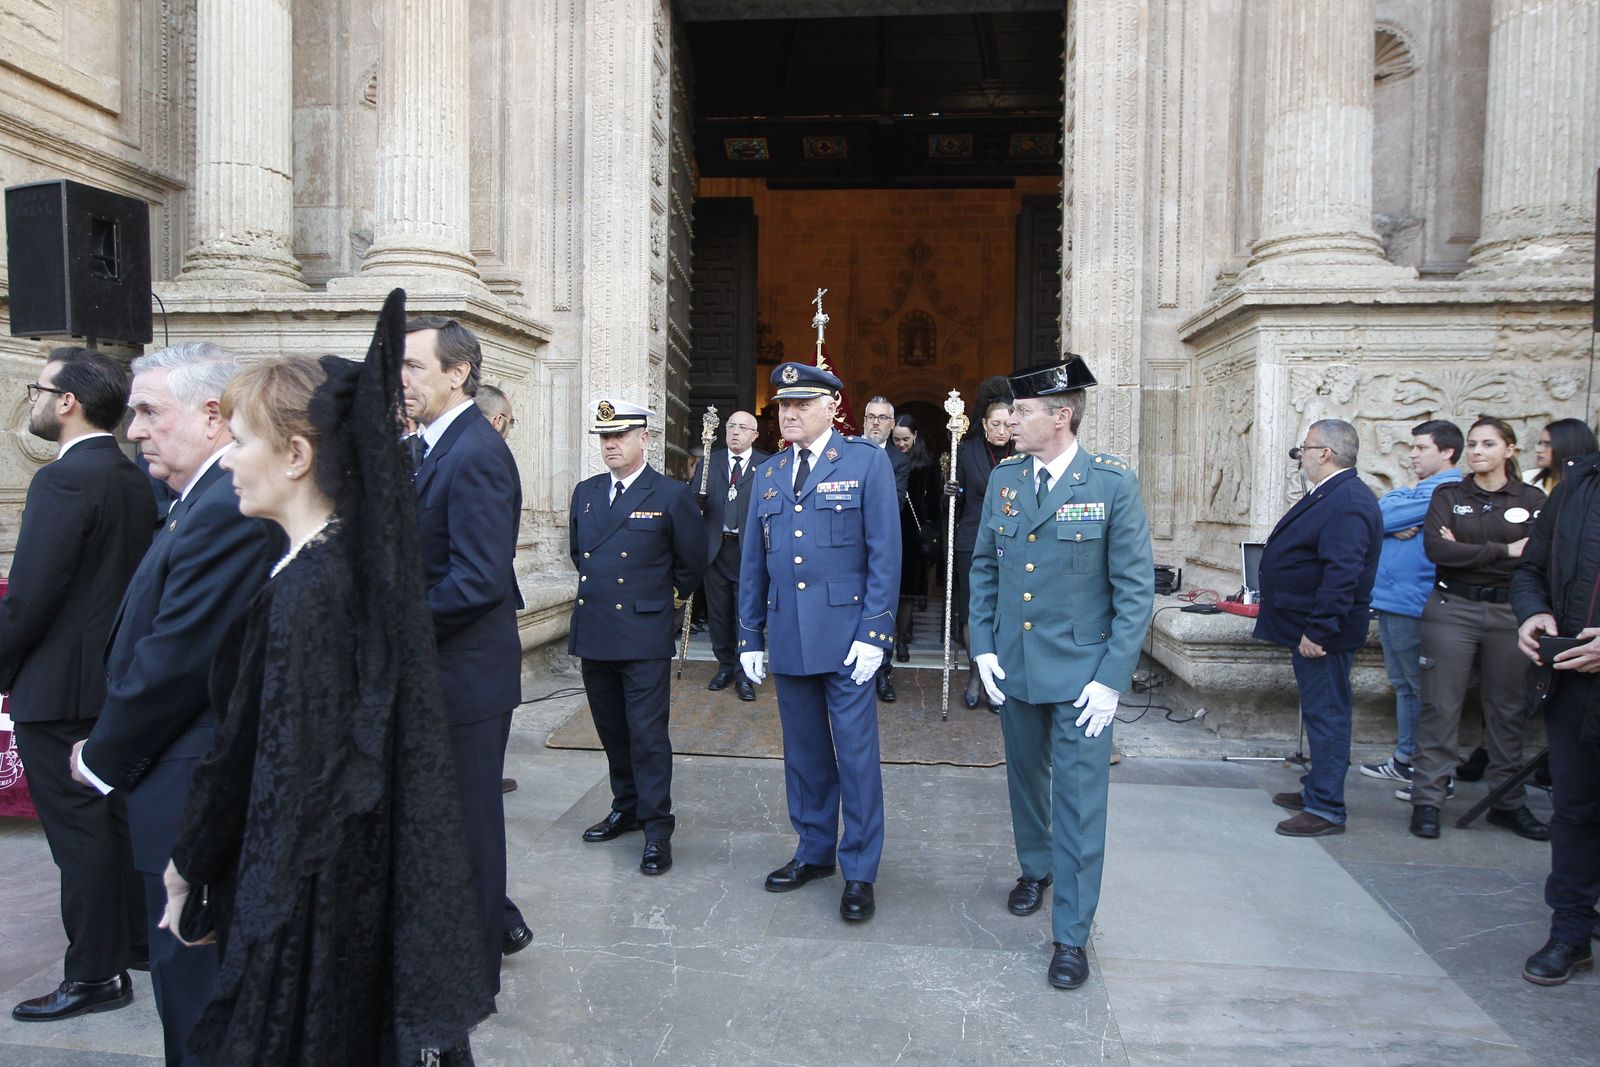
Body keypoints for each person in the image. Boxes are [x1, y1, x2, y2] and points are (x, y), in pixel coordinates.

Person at [158, 293, 494, 1064]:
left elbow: (275, 762)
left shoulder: (313, 589)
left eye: (241, 440)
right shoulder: (327, 565)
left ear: (297, 456)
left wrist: (192, 863)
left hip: (309, 895)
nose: (227, 459)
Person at [71, 343, 284, 1066]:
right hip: (176, 774)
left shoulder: (226, 504)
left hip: (192, 775)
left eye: (149, 412)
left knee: (197, 989)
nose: (134, 430)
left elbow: (181, 655)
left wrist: (101, 756)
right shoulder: (197, 498)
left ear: (212, 414)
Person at [967, 355, 1154, 991]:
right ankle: (1035, 867)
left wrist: (1111, 678)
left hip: (1082, 675)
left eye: (1020, 411)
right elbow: (985, 567)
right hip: (1016, 664)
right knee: (1024, 779)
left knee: (1077, 803)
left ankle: (1071, 933)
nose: (1009, 420)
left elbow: (1134, 590)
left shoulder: (1109, 483)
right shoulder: (1007, 479)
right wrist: (983, 646)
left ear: (1060, 416)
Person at [4, 349, 153, 1023]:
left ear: (67, 402)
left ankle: (95, 973)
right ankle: (132, 942)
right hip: (111, 680)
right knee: (111, 822)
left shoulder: (64, 479)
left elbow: (30, 596)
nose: (33, 400)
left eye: (39, 388)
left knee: (79, 834)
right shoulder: (129, 474)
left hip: (61, 688)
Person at [738, 362, 899, 923]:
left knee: (855, 757)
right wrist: (749, 635)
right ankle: (813, 851)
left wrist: (875, 632)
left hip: (847, 637)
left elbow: (884, 553)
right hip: (788, 633)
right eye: (783, 405)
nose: (789, 413)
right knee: (804, 754)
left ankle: (860, 870)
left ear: (832, 408)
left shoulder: (865, 461)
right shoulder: (770, 471)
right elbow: (753, 561)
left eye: (801, 404)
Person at [403, 316, 529, 980]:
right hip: (441, 670)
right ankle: (485, 926)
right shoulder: (431, 445)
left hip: (466, 676)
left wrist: (395, 624)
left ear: (458, 373)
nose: (400, 380)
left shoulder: (475, 451)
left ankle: (476, 965)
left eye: (412, 366)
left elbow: (478, 579)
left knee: (470, 823)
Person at [568, 400, 707, 875]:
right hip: (596, 629)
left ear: (643, 438)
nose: (610, 444)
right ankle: (625, 807)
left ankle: (656, 827)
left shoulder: (669, 494)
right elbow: (579, 554)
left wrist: (664, 603)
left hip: (643, 632)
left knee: (647, 735)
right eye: (604, 437)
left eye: (619, 436)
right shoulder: (586, 493)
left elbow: (692, 561)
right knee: (611, 729)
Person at [1408, 416, 1549, 841]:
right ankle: (1428, 800)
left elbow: (1537, 556)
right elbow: (1437, 550)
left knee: (1507, 710)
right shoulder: (1450, 495)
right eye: (1472, 444)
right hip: (1453, 607)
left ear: (1509, 450)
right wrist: (1504, 549)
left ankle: (1507, 802)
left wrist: (1467, 549)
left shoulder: (1532, 499)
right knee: (1440, 706)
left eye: (1488, 444)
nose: (1477, 451)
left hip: (1510, 612)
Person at [1254, 418, 1382, 838]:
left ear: (1324, 453)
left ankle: (1326, 808)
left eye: (1304, 449)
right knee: (1319, 711)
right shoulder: (1332, 494)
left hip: (1323, 634)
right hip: (1307, 625)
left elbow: (1342, 574)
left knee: (1327, 715)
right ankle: (1317, 787)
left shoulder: (1348, 501)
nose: (1300, 456)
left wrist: (1319, 630)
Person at [1510, 440, 1600, 985]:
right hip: (1574, 685)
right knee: (1574, 811)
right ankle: (1570, 931)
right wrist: (1533, 612)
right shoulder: (1576, 487)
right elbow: (1530, 569)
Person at [1358, 420, 1463, 784]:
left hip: (1414, 602)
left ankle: (1420, 763)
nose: (1412, 454)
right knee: (1404, 684)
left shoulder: (1448, 490)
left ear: (1447, 452)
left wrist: (1386, 521)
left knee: (1418, 687)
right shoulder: (1415, 491)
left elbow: (1378, 516)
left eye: (1421, 448)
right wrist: (1390, 520)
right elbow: (1378, 515)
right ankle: (1407, 758)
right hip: (1393, 600)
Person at [949, 381, 1013, 710]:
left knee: (1005, 609)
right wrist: (950, 490)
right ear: (985, 424)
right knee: (973, 607)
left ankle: (998, 676)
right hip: (973, 538)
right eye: (996, 424)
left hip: (1013, 541)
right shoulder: (967, 451)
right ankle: (976, 672)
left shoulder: (1024, 453)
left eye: (1008, 424)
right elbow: (958, 498)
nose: (1002, 431)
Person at [700, 410, 769, 701]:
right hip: (716, 551)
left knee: (746, 612)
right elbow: (694, 501)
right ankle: (725, 665)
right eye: (731, 426)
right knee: (718, 613)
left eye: (742, 427)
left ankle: (744, 672)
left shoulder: (766, 465)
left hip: (748, 551)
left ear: (754, 435)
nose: (735, 432)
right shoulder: (710, 461)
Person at [860, 396, 908, 701]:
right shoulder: (848, 450)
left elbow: (896, 502)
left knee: (882, 606)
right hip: (849, 547)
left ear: (892, 425)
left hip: (882, 545)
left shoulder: (899, 461)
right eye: (871, 417)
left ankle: (882, 674)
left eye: (882, 418)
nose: (876, 423)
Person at [891, 415, 940, 662]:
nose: (901, 444)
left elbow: (934, 500)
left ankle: (901, 641)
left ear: (915, 436)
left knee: (908, 591)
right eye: (896, 439)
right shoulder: (885, 459)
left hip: (914, 532)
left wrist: (931, 530)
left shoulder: (928, 464)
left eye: (906, 439)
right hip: (890, 528)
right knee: (890, 589)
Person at [1524, 417, 1596, 495]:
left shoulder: (1593, 488)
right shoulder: (1527, 479)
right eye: (1540, 443)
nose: (1539, 450)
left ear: (1568, 446)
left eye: (1548, 444)